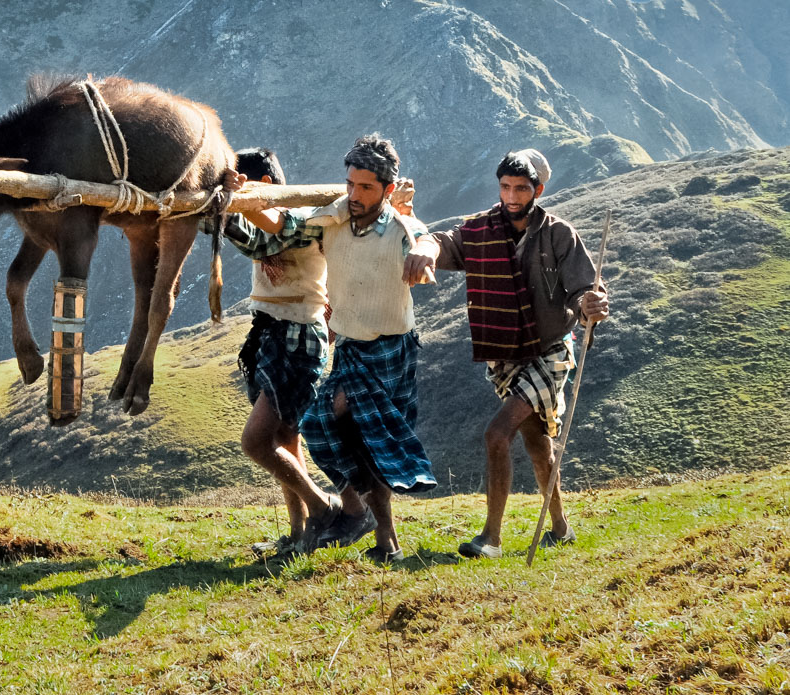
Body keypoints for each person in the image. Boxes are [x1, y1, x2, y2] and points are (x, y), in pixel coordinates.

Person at [228, 134, 439, 563]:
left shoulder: (399, 225)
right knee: (326, 430)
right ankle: (364, 521)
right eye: (351, 184)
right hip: (349, 350)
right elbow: (282, 225)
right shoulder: (335, 218)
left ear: (388, 189)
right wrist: (241, 200)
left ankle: (367, 526)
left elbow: (424, 236)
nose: (356, 195)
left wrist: (422, 252)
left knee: (353, 435)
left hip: (390, 350)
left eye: (366, 187)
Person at [405, 149, 609, 559]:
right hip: (505, 356)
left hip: (550, 351)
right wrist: (426, 246)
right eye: (505, 187)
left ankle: (491, 539)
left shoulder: (558, 234)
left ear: (538, 189)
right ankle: (562, 528)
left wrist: (593, 304)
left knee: (497, 433)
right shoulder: (481, 230)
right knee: (537, 444)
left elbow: (587, 289)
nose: (512, 196)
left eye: (521, 188)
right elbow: (446, 242)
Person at [215, 148, 330, 556]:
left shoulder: (311, 218)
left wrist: (229, 205)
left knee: (257, 442)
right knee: (285, 437)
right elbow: (245, 233)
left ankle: (323, 508)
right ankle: (300, 534)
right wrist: (220, 202)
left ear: (263, 186)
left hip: (298, 336)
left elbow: (261, 241)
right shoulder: (267, 217)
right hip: (269, 333)